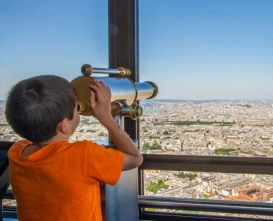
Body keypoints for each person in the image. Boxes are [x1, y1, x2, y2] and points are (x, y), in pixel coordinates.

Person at [5, 75, 143, 221]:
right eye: (76, 108)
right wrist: (106, 117)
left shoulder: (16, 152)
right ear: (64, 125)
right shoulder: (83, 155)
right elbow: (135, 158)